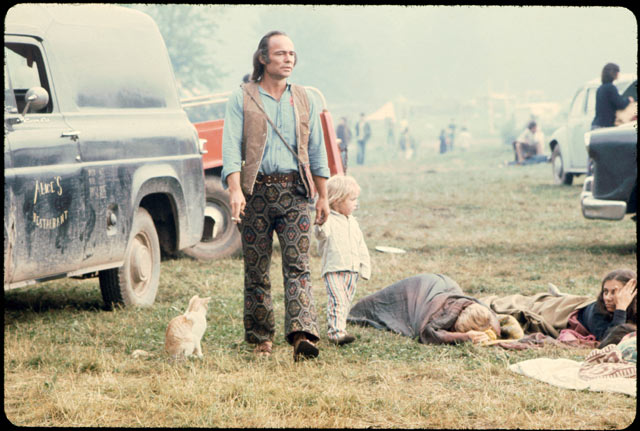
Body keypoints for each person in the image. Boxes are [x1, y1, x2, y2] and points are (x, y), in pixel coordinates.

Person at [221, 30, 330, 361]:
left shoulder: (305, 98)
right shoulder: (243, 97)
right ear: (263, 58)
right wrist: (235, 189)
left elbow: (317, 149)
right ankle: (260, 340)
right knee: (256, 270)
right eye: (281, 54)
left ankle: (302, 336)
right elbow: (230, 146)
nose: (288, 60)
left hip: (296, 193)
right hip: (255, 193)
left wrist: (323, 196)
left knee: (298, 266)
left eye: (292, 54)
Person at [481, 268, 637, 342]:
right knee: (518, 307)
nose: (608, 298)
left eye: (614, 292)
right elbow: (610, 340)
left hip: (574, 303)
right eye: (605, 291)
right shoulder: (599, 309)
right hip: (564, 312)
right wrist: (621, 308)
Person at [347, 274, 500, 345]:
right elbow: (428, 333)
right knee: (376, 306)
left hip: (447, 286)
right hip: (420, 290)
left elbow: (496, 326)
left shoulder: (483, 311)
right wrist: (464, 336)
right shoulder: (440, 313)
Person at [314, 175, 370, 346]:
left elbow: (361, 245)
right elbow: (321, 235)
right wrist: (321, 222)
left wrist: (364, 266)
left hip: (352, 271)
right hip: (334, 269)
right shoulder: (329, 219)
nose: (356, 203)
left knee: (345, 302)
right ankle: (336, 333)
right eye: (352, 199)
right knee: (337, 300)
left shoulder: (353, 222)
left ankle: (339, 327)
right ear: (337, 200)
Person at [591, 63, 634, 130]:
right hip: (604, 127)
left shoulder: (600, 88)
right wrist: (628, 100)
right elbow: (620, 104)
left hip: (597, 125)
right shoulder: (610, 88)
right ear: (615, 73)